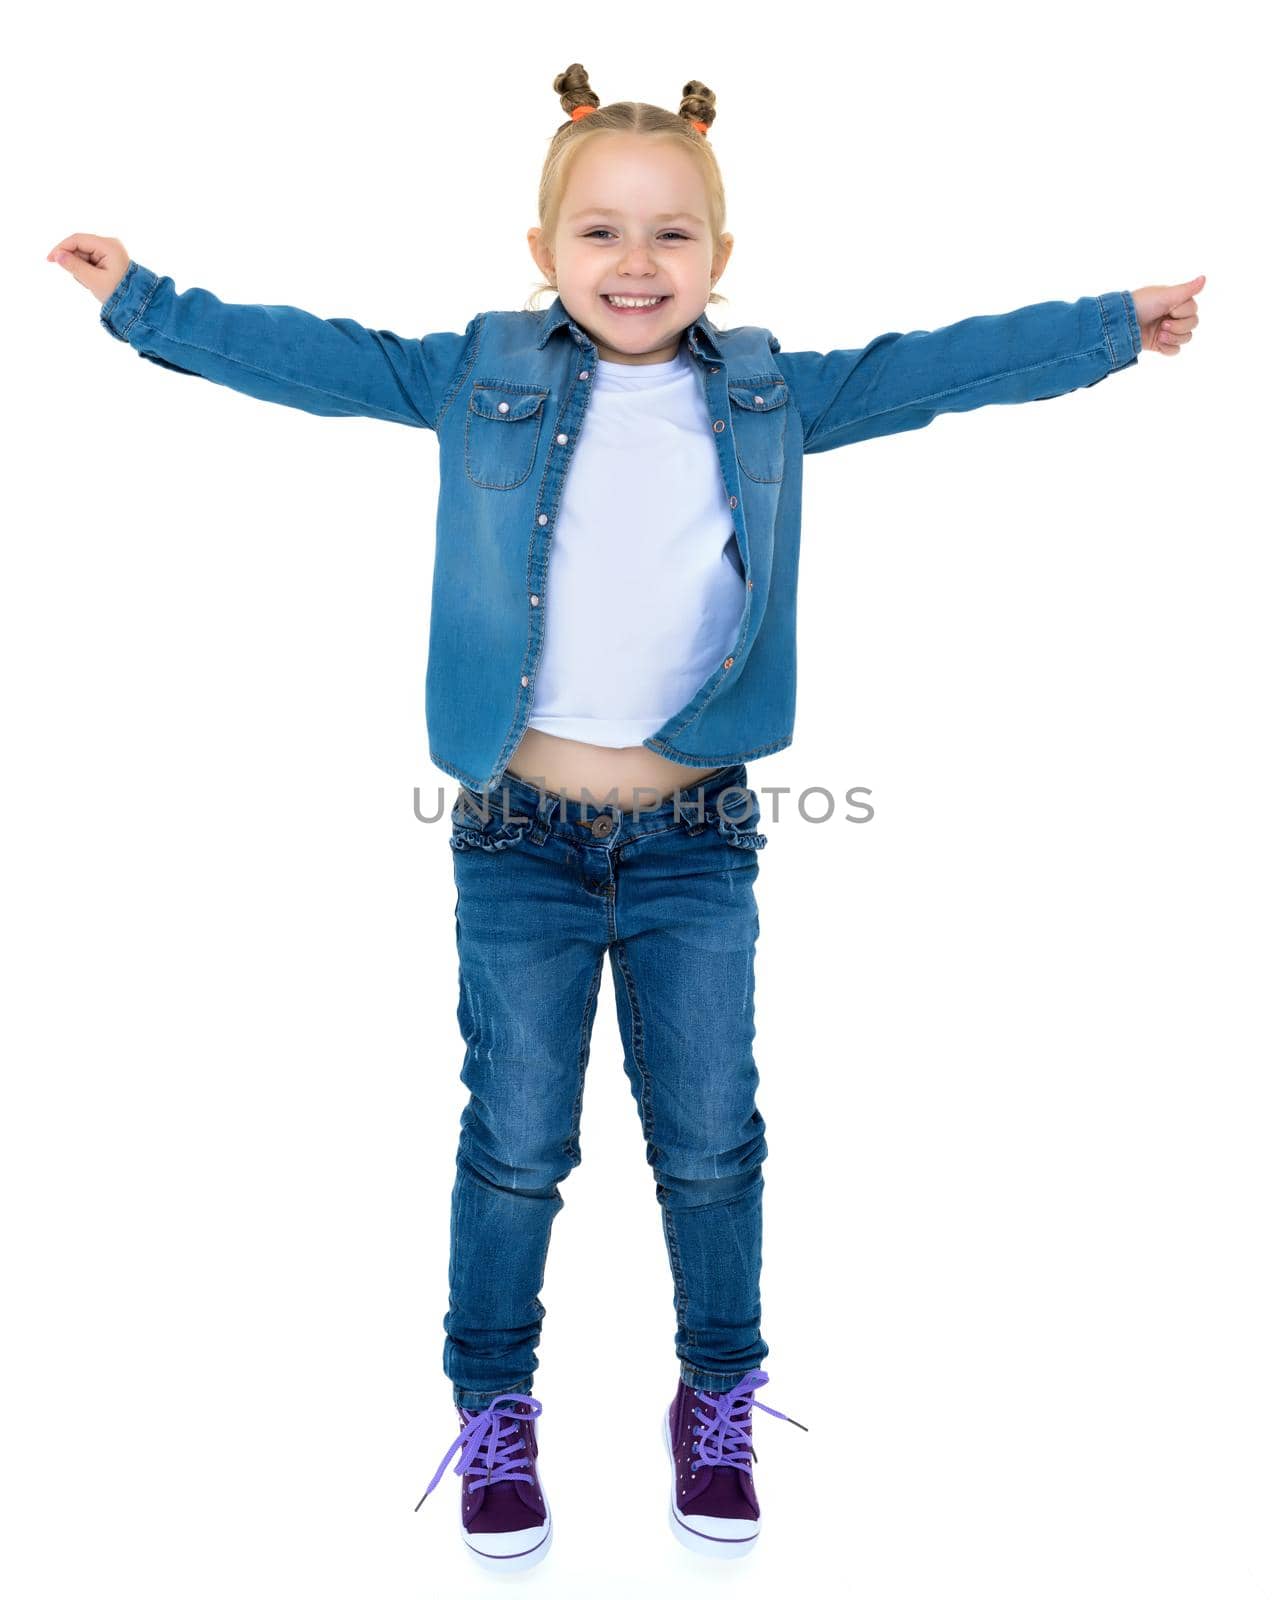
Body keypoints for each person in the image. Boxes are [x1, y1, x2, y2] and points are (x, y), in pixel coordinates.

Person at [48, 60, 1204, 1572]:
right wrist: (150, 301)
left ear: (722, 260)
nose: (637, 264)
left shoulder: (769, 391)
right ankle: (493, 1410)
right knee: (517, 1144)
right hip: (518, 843)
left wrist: (1113, 325)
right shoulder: (476, 374)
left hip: (694, 846)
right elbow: (315, 359)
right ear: (544, 255)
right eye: (601, 234)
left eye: (672, 237)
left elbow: (941, 369)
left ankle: (717, 1398)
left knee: (714, 1141)